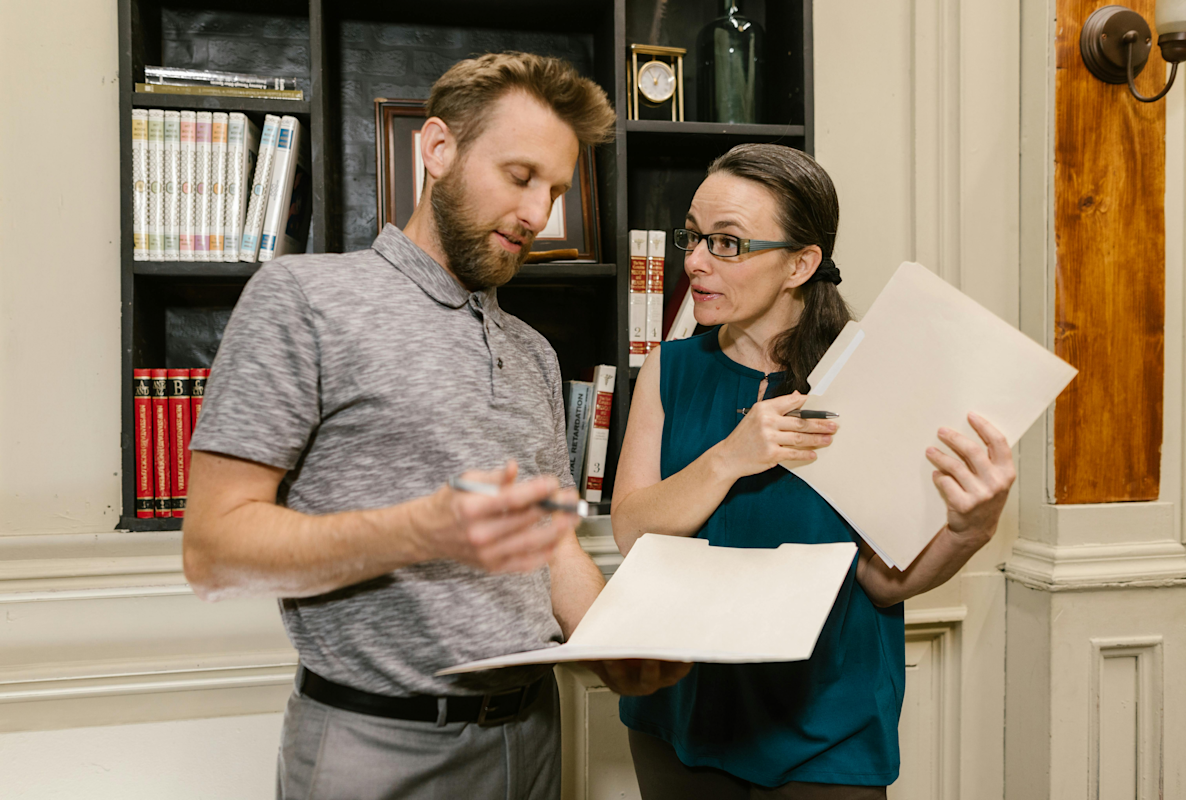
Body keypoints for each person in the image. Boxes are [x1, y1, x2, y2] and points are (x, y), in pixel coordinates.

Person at [182, 52, 688, 800]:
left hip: (534, 738)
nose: (537, 215)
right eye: (520, 177)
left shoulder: (534, 353)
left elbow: (550, 545)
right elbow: (213, 553)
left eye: (553, 189)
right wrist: (421, 530)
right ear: (439, 149)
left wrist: (614, 646)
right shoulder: (304, 299)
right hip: (373, 747)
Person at [611, 143, 1015, 799]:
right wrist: (730, 458)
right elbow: (631, 531)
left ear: (800, 264)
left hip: (824, 726)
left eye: (728, 244)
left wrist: (969, 530)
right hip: (678, 719)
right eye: (694, 237)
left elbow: (882, 583)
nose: (694, 262)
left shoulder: (870, 381)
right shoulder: (670, 368)